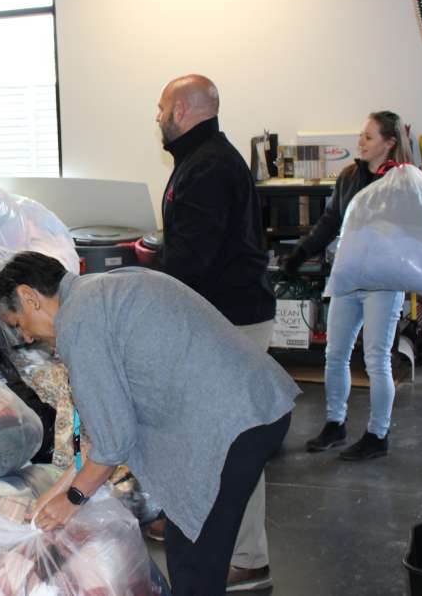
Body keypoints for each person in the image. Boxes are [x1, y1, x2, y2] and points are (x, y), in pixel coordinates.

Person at [0, 252, 300, 596]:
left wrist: (72, 500)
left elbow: (114, 442)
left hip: (233, 424)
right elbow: (108, 425)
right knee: (192, 546)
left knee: (195, 561)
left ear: (29, 297)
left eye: (17, 324)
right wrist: (56, 490)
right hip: (254, 405)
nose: (26, 337)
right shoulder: (99, 290)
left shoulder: (78, 322)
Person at [151, 74, 277, 591]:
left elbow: (191, 260)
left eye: (160, 107)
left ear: (182, 110)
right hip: (227, 316)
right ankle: (196, 522)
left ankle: (247, 555)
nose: (155, 116)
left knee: (233, 444)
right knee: (212, 437)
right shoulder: (207, 157)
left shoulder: (205, 167)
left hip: (230, 323)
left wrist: (147, 277)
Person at [282, 110, 414, 461]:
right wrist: (301, 252)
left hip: (383, 282)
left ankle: (377, 434)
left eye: (369, 137)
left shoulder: (402, 182)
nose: (361, 142)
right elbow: (330, 221)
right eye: (361, 135)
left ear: (389, 143)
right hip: (348, 276)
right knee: (335, 354)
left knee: (375, 359)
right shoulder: (349, 175)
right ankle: (335, 423)